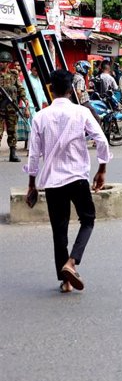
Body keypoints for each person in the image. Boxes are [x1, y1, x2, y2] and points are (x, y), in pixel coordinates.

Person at [24, 69, 112, 293]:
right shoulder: (81, 112)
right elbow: (101, 140)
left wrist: (32, 184)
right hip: (77, 177)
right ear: (71, 89)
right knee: (88, 220)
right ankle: (71, 263)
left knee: (59, 230)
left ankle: (65, 281)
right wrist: (102, 169)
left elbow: (33, 154)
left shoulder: (40, 117)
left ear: (51, 90)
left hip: (53, 182)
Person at [0, 51, 27, 162]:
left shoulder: (14, 75)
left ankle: (13, 154)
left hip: (11, 107)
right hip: (0, 107)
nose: (1, 63)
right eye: (0, 61)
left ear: (8, 63)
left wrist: (25, 100)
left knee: (12, 131)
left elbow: (20, 89)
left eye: (3, 62)